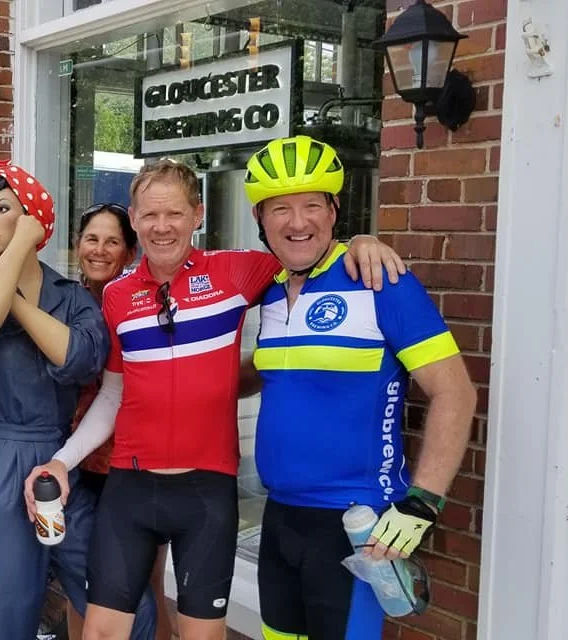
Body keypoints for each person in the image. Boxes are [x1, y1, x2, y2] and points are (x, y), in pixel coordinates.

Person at [29, 159, 404, 640]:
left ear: (198, 214)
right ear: (134, 217)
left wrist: (359, 243)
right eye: (150, 215)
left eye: (175, 213)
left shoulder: (237, 271)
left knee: (201, 636)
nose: (162, 227)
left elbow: (305, 249)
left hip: (206, 493)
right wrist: (61, 461)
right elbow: (113, 394)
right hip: (131, 488)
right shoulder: (118, 296)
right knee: (100, 633)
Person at [236, 135, 476, 640]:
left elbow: (455, 391)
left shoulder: (379, 280)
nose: (297, 222)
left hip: (356, 524)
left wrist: (423, 501)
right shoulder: (270, 293)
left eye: (312, 205)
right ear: (260, 218)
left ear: (334, 210)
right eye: (280, 208)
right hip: (280, 520)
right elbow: (272, 373)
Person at [0, 160, 156, 640]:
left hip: (63, 465)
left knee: (126, 602)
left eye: (3, 209)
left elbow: (79, 359)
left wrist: (19, 284)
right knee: (2, 615)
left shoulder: (73, 298)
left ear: (33, 221)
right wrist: (13, 255)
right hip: (2, 465)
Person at [63, 203, 175, 640]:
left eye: (112, 241)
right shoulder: (62, 303)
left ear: (130, 252)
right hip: (76, 462)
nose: (100, 250)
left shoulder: (144, 302)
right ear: (78, 245)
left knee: (147, 583)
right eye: (92, 239)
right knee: (78, 582)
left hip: (134, 465)